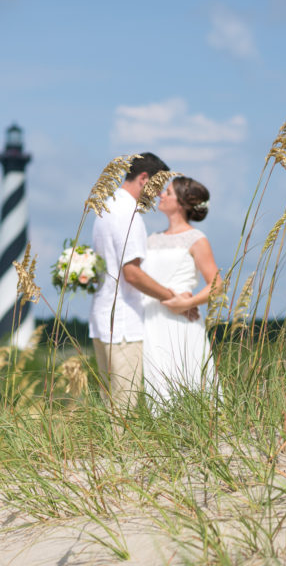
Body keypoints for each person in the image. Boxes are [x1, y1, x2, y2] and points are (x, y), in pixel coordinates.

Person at [89, 153, 196, 414]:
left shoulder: (106, 207)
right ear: (144, 178)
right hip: (123, 324)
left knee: (110, 402)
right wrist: (173, 298)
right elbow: (132, 273)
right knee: (125, 406)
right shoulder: (128, 214)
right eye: (158, 187)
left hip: (102, 319)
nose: (158, 195)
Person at [142, 176, 218, 405]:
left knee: (187, 379)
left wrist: (187, 303)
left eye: (168, 192)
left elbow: (216, 284)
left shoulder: (196, 239)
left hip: (181, 321)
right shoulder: (152, 239)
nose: (161, 195)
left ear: (182, 203)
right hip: (150, 319)